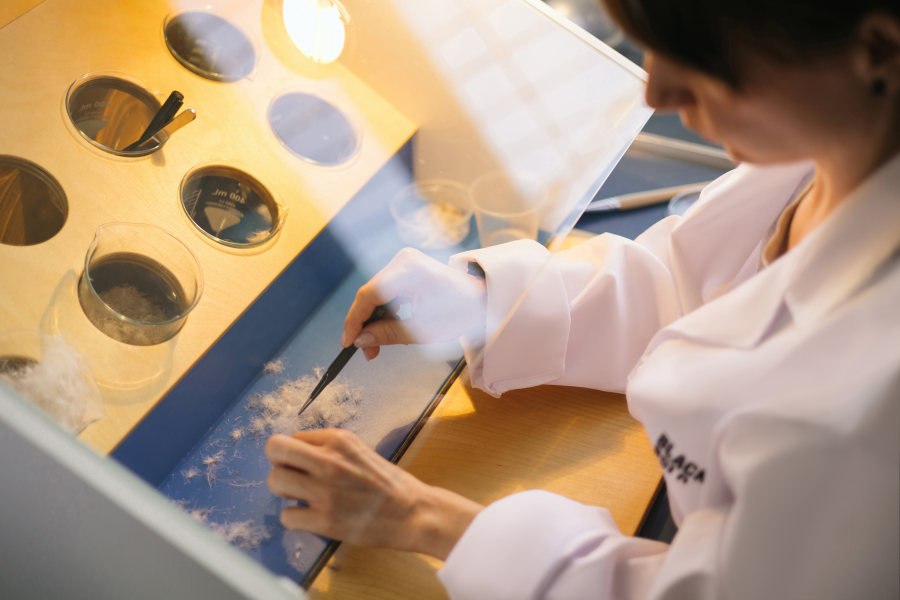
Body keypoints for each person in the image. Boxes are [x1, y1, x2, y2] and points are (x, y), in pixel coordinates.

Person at [265, 1, 900, 597]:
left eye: (701, 58)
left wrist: (422, 516)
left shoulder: (872, 403)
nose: (656, 94)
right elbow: (689, 281)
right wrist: (485, 302)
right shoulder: (826, 145)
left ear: (876, 49)